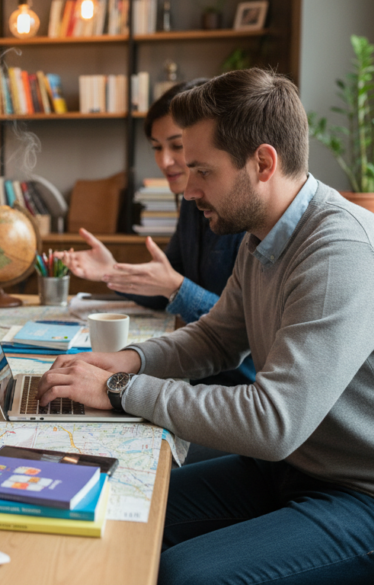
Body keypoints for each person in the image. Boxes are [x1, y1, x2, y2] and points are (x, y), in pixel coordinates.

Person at [36, 69, 374, 584]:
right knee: (120, 503)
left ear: (263, 162)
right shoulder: (262, 236)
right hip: (304, 471)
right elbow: (218, 337)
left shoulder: (342, 254)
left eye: (202, 170)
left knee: (190, 576)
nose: (188, 188)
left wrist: (119, 388)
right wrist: (129, 360)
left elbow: (272, 422)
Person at [59, 78, 254, 387]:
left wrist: (176, 288)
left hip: (229, 386)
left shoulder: (244, 212)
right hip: (194, 377)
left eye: (177, 146)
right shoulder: (192, 204)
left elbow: (239, 331)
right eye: (156, 147)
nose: (164, 161)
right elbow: (163, 285)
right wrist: (112, 271)